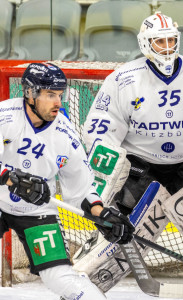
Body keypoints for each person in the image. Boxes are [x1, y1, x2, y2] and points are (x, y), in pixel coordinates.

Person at [0, 63, 135, 300]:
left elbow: (81, 186)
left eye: (60, 95)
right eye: (50, 95)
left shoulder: (65, 133)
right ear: (30, 93)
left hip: (37, 210)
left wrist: (101, 213)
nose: (58, 103)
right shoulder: (5, 116)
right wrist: (9, 178)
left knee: (59, 276)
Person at [83, 12, 183, 214]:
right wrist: (101, 185)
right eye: (159, 41)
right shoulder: (122, 80)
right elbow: (102, 130)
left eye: (171, 40)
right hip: (140, 169)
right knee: (123, 233)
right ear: (145, 43)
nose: (167, 47)